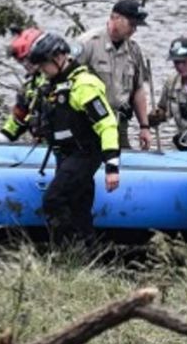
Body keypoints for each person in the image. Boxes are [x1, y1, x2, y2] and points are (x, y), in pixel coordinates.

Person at [28, 32, 121, 245]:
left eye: (44, 64)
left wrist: (112, 167)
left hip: (84, 153)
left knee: (54, 199)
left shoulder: (84, 85)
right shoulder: (53, 83)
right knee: (79, 208)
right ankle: (87, 255)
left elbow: (107, 124)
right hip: (65, 154)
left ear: (59, 58)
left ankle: (65, 252)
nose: (42, 70)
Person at [73, 0, 153, 151]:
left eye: (137, 26)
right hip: (88, 122)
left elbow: (138, 89)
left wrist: (144, 126)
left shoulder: (134, 50)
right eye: (132, 24)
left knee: (123, 163)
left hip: (118, 123)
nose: (134, 30)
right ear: (115, 18)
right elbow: (65, 81)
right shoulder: (87, 43)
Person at [152, 36, 187, 150]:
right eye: (176, 62)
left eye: (184, 62)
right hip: (184, 144)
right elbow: (163, 110)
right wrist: (155, 117)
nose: (180, 66)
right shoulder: (171, 83)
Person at [0, 27, 45, 142]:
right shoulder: (30, 88)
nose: (25, 65)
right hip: (42, 149)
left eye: (27, 59)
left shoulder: (67, 80)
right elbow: (17, 120)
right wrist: (0, 140)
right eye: (21, 61)